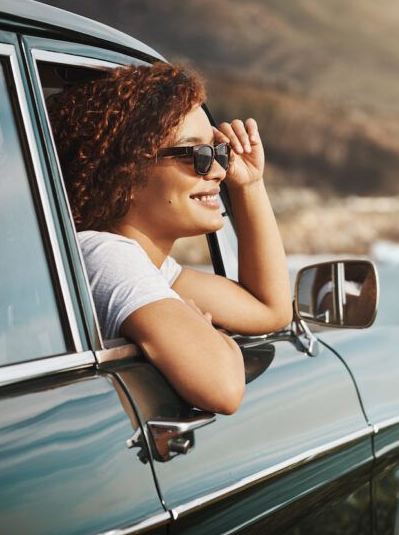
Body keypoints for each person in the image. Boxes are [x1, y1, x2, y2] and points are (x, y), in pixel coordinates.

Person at [47, 62, 292, 415]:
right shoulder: (105, 256)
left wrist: (250, 184)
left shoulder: (153, 270)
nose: (220, 170)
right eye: (196, 155)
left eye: (218, 152)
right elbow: (223, 390)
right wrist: (208, 334)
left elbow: (270, 310)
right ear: (126, 172)